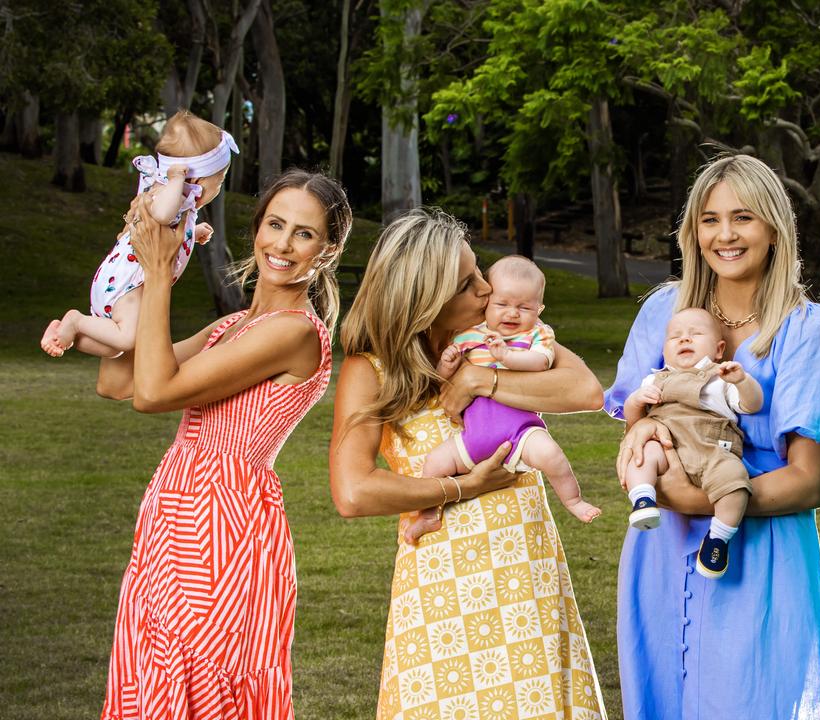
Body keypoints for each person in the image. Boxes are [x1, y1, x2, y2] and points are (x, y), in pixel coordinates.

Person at [606, 154, 820, 718]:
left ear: (774, 228)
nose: (725, 235)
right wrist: (642, 432)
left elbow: (808, 482)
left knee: (744, 698)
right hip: (660, 548)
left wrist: (693, 497)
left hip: (758, 552)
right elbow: (636, 417)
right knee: (660, 696)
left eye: (743, 218)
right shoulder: (662, 313)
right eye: (709, 219)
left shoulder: (804, 329)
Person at [328, 209, 607, 720]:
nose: (486, 288)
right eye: (467, 283)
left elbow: (588, 391)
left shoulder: (503, 335)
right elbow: (353, 491)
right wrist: (464, 488)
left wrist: (484, 381)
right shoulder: (372, 371)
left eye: (479, 271)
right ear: (426, 298)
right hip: (443, 591)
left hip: (526, 577)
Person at [94, 169, 352, 719]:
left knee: (205, 681)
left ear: (327, 252)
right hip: (172, 511)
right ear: (256, 228)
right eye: (275, 224)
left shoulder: (296, 332)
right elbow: (117, 382)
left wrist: (162, 275)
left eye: (303, 234)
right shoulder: (228, 327)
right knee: (151, 672)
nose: (282, 244)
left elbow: (154, 392)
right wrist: (133, 273)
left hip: (226, 526)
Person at [402, 255, 599, 545]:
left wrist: (505, 358)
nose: (512, 314)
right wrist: (447, 362)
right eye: (502, 304)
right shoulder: (470, 334)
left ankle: (573, 500)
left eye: (524, 307)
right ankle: (429, 515)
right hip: (473, 435)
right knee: (435, 464)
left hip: (520, 432)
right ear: (489, 302)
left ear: (539, 309)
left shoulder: (536, 334)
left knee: (551, 456)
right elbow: (442, 380)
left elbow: (542, 363)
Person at [42, 111, 238, 358]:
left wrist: (193, 232)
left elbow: (166, 227)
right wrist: (176, 178)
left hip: (122, 284)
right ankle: (76, 321)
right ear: (197, 178)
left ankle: (65, 334)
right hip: (127, 285)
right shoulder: (168, 195)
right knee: (127, 337)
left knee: (115, 348)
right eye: (218, 182)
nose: (218, 189)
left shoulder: (177, 202)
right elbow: (162, 215)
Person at [621, 307, 763, 579]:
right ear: (664, 351)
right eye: (675, 337)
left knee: (735, 482)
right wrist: (635, 402)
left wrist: (742, 381)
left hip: (713, 450)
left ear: (719, 349)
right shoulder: (654, 380)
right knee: (642, 454)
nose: (684, 339)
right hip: (668, 446)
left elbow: (752, 404)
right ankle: (642, 499)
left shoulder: (720, 379)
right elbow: (634, 420)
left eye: (695, 334)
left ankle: (717, 540)